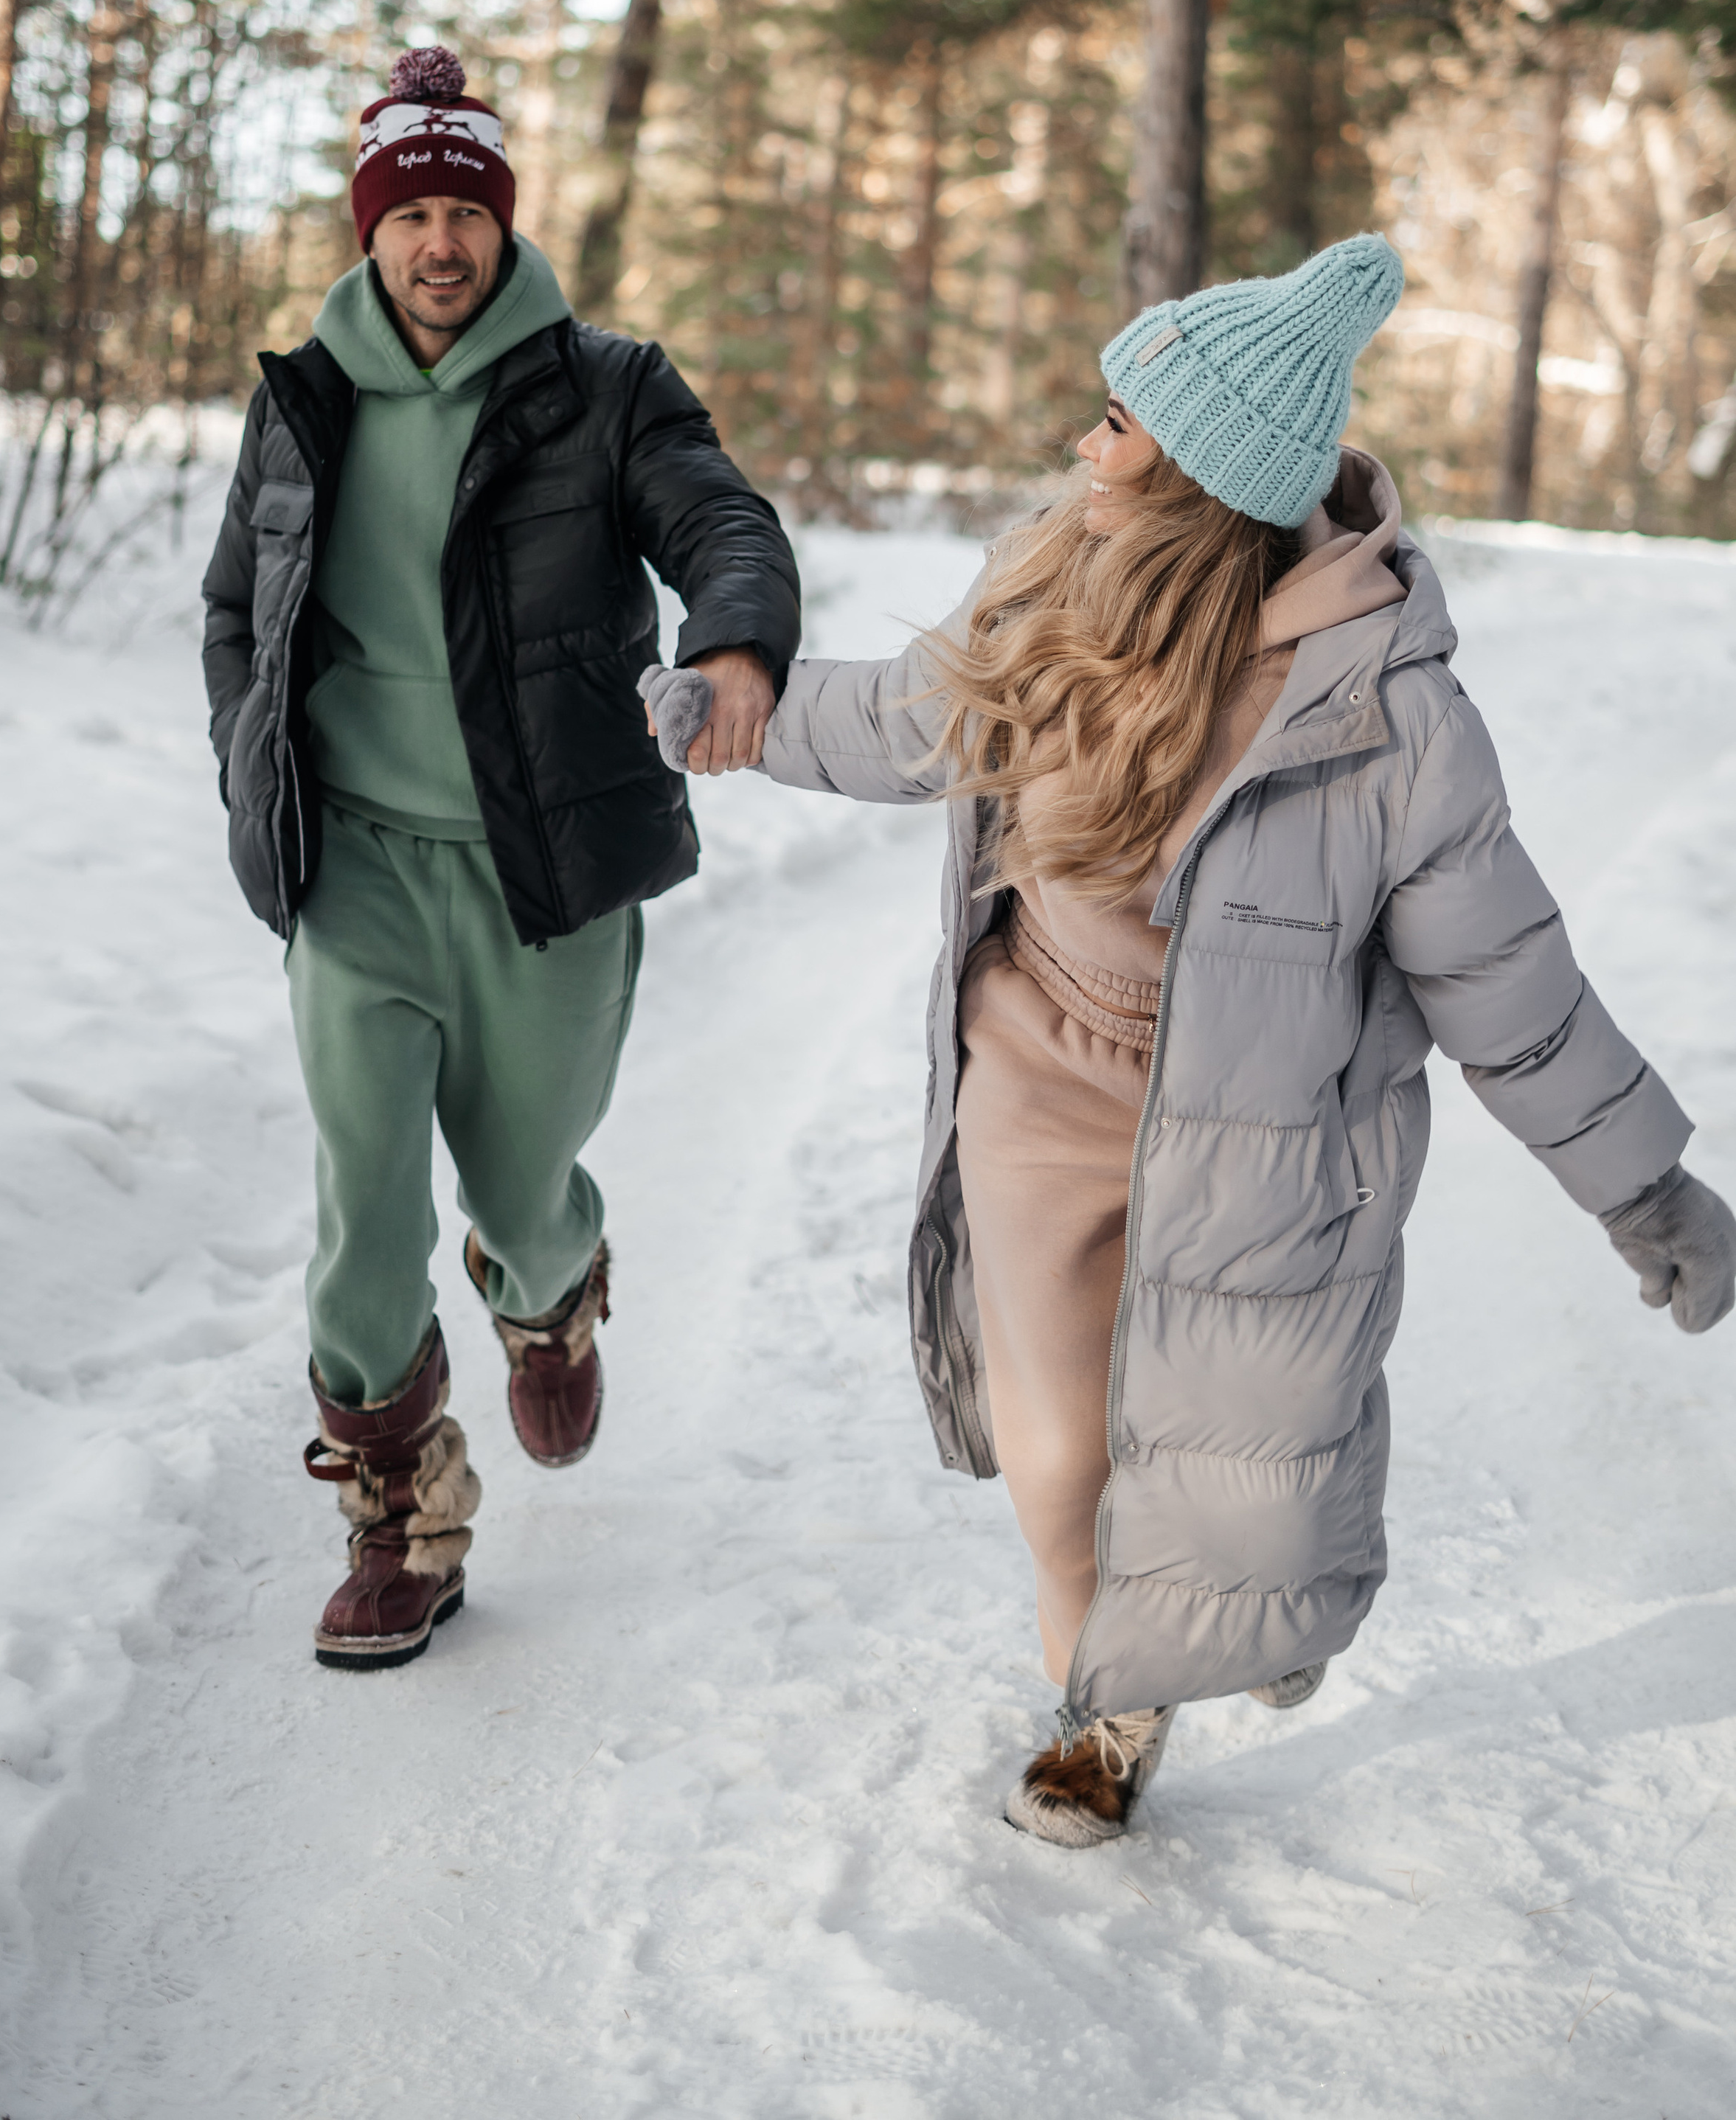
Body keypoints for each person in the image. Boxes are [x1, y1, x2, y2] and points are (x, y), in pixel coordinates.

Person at [640, 234, 1735, 1843]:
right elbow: (899, 722)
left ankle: (1147, 1681)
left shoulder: (1388, 719)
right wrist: (723, 714)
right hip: (1034, 1076)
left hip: (1257, 1131)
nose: (1082, 447)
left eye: (1116, 426)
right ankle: (1116, 1675)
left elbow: (1510, 989)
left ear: (1203, 479)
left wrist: (1646, 1196)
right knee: (1056, 1455)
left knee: (1237, 1453)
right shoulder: (1051, 590)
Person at [203, 46, 799, 1672]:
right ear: (369, 232)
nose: (440, 245)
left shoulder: (600, 385)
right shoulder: (300, 398)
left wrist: (736, 642)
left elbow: (718, 518)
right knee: (364, 1198)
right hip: (359, 871)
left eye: (467, 211)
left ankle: (551, 1288)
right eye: (412, 217)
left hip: (543, 867)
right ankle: (400, 1513)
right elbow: (235, 613)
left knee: (521, 1181)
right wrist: (253, 776)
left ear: (503, 224)